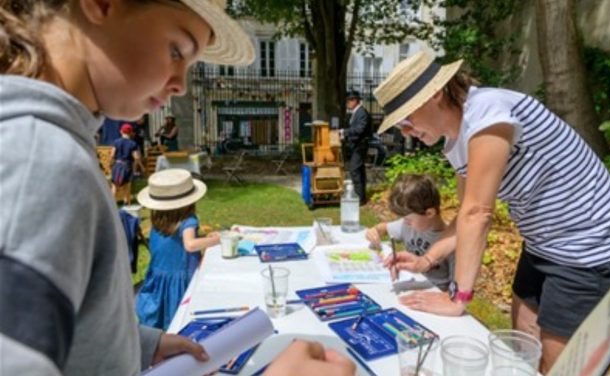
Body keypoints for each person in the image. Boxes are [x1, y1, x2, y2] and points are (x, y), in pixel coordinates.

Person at [0, 1, 354, 375]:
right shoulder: (38, 158)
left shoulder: (47, 145)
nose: (181, 83)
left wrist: (133, 345)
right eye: (176, 50)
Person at [374, 49, 610, 373]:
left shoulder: (487, 111)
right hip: (543, 246)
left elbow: (478, 213)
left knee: (561, 366)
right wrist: (427, 259)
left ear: (436, 93)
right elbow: (465, 214)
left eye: (407, 117)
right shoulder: (457, 140)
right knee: (524, 346)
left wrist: (458, 298)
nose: (405, 131)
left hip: (591, 251)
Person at [136, 169, 221, 330]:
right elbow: (190, 244)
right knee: (177, 320)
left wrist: (205, 238)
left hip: (159, 276)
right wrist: (216, 240)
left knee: (159, 321)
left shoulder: (158, 220)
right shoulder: (188, 219)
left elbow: (174, 240)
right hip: (179, 280)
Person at [366, 174, 454, 289]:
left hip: (435, 293)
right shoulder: (409, 225)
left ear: (429, 213)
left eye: (408, 219)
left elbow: (458, 289)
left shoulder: (451, 242)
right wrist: (374, 231)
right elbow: (383, 227)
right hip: (411, 285)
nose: (405, 222)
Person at [341, 90, 372, 205]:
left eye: (348, 101)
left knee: (355, 170)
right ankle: (361, 196)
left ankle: (359, 198)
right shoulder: (357, 112)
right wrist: (345, 136)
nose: (347, 103)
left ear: (354, 101)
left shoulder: (361, 112)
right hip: (357, 145)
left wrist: (344, 132)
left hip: (360, 146)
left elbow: (360, 130)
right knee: (359, 170)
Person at [111, 123, 144, 203]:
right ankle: (127, 205)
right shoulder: (133, 144)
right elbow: (136, 157)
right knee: (127, 187)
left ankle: (111, 205)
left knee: (114, 186)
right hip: (127, 166)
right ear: (130, 133)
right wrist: (141, 167)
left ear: (121, 131)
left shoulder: (116, 142)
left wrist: (111, 164)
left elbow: (112, 155)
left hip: (117, 165)